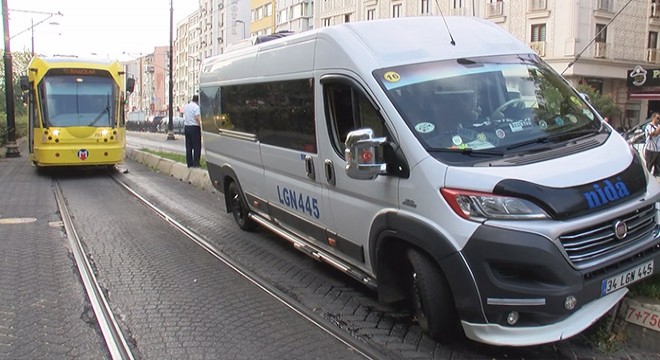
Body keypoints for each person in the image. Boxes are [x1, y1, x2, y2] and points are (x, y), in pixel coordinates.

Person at [183, 95, 202, 168]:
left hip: (187, 127)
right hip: (194, 128)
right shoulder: (196, 107)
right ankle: (196, 162)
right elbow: (197, 118)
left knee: (188, 146)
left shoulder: (186, 106)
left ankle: (189, 162)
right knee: (197, 146)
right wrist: (201, 125)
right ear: (198, 101)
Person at [644, 112, 660, 176]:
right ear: (653, 118)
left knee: (658, 169)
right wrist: (658, 129)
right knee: (649, 167)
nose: (659, 120)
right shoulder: (649, 126)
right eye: (657, 118)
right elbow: (654, 134)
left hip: (658, 150)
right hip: (650, 150)